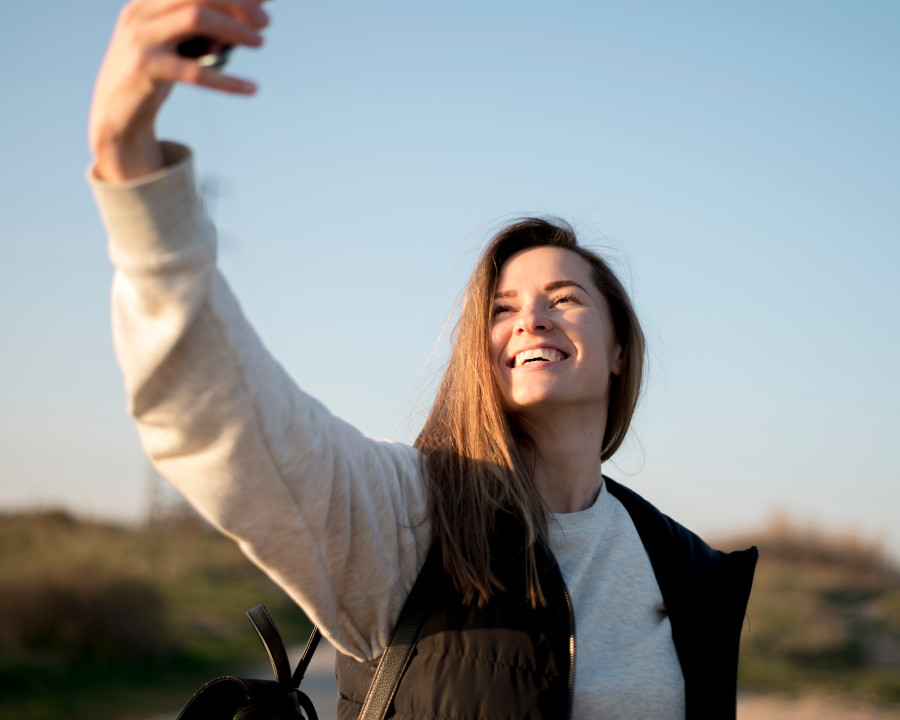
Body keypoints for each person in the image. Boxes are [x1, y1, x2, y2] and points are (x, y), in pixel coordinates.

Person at [88, 2, 758, 718]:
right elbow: (230, 426)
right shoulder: (406, 515)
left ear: (620, 347)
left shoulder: (687, 569)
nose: (530, 318)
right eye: (501, 309)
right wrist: (130, 168)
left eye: (564, 298)